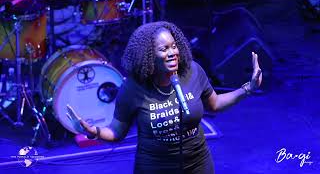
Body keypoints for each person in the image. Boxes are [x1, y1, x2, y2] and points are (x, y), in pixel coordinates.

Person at [67, 21, 262, 174]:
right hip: (155, 167)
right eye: (164, 49)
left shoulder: (192, 72)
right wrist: (94, 131)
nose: (172, 53)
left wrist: (248, 88)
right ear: (148, 56)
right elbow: (116, 132)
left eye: (174, 46)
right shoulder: (133, 88)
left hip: (198, 163)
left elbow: (215, 104)